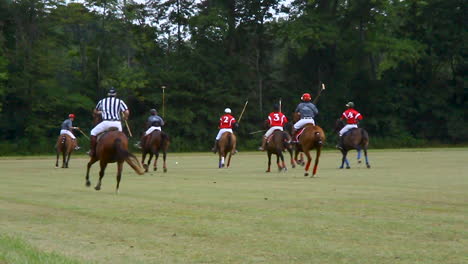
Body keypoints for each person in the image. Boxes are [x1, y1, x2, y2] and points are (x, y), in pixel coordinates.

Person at [88, 87, 129, 157]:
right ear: (115, 94)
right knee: (122, 137)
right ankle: (124, 150)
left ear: (108, 94)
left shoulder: (102, 101)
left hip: (106, 123)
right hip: (117, 123)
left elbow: (95, 111)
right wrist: (125, 117)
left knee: (93, 132)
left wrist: (100, 112)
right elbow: (126, 112)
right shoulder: (120, 101)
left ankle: (92, 151)